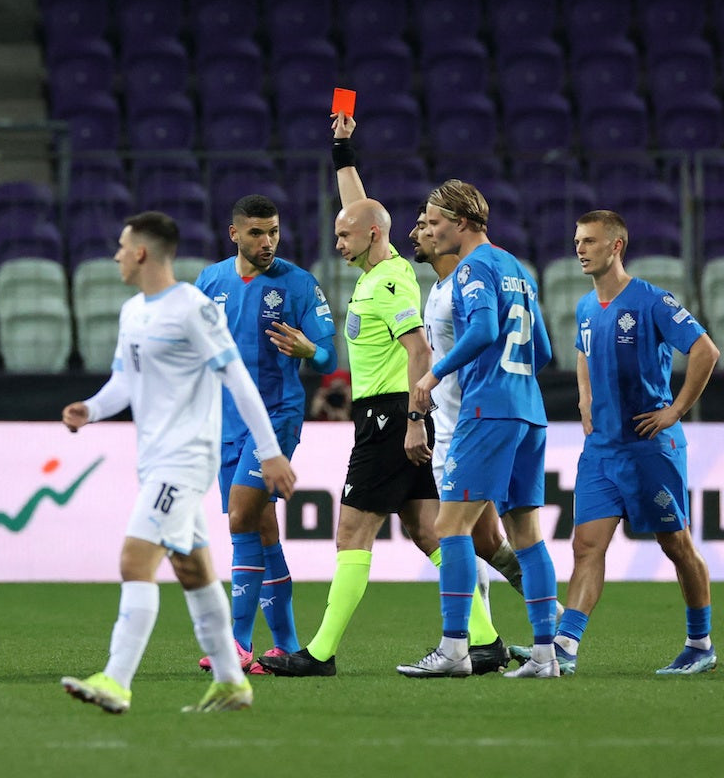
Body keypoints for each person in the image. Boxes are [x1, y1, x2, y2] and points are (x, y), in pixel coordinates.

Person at [259, 121, 500, 678]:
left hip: (391, 416)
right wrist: (342, 152)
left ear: (370, 236)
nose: (335, 242)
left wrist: (415, 420)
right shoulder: (377, 266)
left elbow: (419, 353)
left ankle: (319, 653)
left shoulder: (389, 282)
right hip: (393, 414)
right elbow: (360, 210)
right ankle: (485, 641)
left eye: (343, 236)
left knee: (351, 533)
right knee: (427, 531)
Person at [59, 211, 296, 714]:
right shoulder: (133, 313)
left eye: (123, 246)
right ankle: (233, 683)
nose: (118, 255)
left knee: (134, 559)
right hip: (154, 460)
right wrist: (92, 409)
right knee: (193, 570)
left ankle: (116, 680)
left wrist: (270, 451)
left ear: (142, 252)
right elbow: (123, 381)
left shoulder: (193, 308)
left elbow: (238, 379)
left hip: (185, 461)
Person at [509, 210, 718, 675]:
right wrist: (583, 397)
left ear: (615, 246)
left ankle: (700, 642)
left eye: (589, 241)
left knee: (676, 544)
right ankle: (565, 646)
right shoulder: (586, 306)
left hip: (650, 447)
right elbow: (583, 351)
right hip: (601, 451)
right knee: (586, 546)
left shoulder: (652, 301)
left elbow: (706, 350)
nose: (579, 248)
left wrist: (676, 410)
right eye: (577, 240)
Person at [396, 179, 559, 678]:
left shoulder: (473, 268)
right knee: (527, 536)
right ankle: (545, 656)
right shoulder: (518, 269)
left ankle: (454, 650)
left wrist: (434, 374)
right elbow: (546, 351)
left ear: (462, 223)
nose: (429, 229)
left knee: (449, 527)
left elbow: (484, 330)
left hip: (488, 410)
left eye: (435, 220)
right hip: (530, 410)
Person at [193, 194, 337, 674]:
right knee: (262, 527)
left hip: (276, 417)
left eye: (273, 231)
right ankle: (288, 645)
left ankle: (235, 643)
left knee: (239, 517)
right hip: (224, 423)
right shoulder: (210, 281)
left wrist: (308, 349)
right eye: (256, 232)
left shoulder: (297, 284)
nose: (267, 241)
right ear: (234, 234)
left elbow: (331, 360)